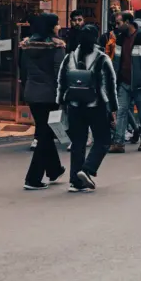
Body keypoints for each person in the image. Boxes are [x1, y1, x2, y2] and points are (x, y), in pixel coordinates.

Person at [57, 24, 117, 192]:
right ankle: (87, 169)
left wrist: (61, 103)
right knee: (103, 140)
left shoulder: (69, 57)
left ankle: (75, 181)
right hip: (96, 105)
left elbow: (61, 82)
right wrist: (112, 108)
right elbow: (110, 85)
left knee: (78, 143)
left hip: (75, 106)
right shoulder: (102, 58)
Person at [20, 14, 67, 190]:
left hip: (32, 93)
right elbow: (59, 73)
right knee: (45, 135)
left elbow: (23, 71)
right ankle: (33, 178)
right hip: (50, 95)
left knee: (43, 131)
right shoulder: (57, 47)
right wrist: (63, 95)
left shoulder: (26, 46)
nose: (59, 27)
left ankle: (54, 169)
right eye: (56, 24)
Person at [109, 11, 141, 153]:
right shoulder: (120, 38)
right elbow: (116, 59)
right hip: (124, 81)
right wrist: (115, 77)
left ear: (128, 22)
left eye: (119, 23)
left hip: (140, 83)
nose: (116, 26)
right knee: (122, 110)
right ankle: (119, 142)